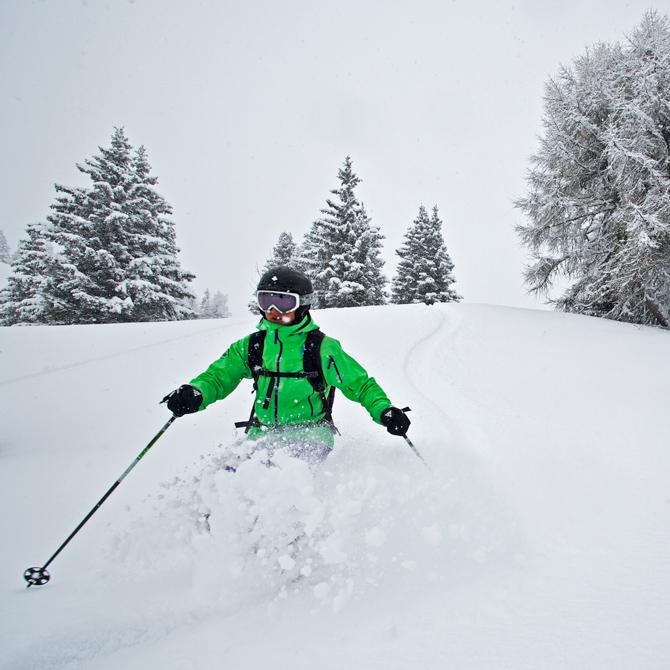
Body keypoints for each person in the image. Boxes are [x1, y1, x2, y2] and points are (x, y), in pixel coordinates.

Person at [162, 266, 411, 462]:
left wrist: (384, 411)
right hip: (262, 434)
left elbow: (360, 385)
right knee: (225, 483)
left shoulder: (321, 347)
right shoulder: (253, 346)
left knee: (284, 484)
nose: (272, 310)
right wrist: (197, 391)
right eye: (266, 300)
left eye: (283, 302)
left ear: (302, 304)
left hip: (310, 435)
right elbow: (218, 376)